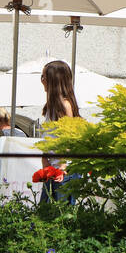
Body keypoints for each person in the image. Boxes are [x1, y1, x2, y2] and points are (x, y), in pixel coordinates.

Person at [39, 60, 80, 201]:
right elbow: (49, 138)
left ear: (54, 80)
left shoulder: (65, 105)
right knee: (46, 213)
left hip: (63, 169)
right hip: (52, 167)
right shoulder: (51, 106)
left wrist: (62, 166)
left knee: (60, 215)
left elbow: (67, 137)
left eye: (44, 77)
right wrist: (45, 161)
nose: (42, 81)